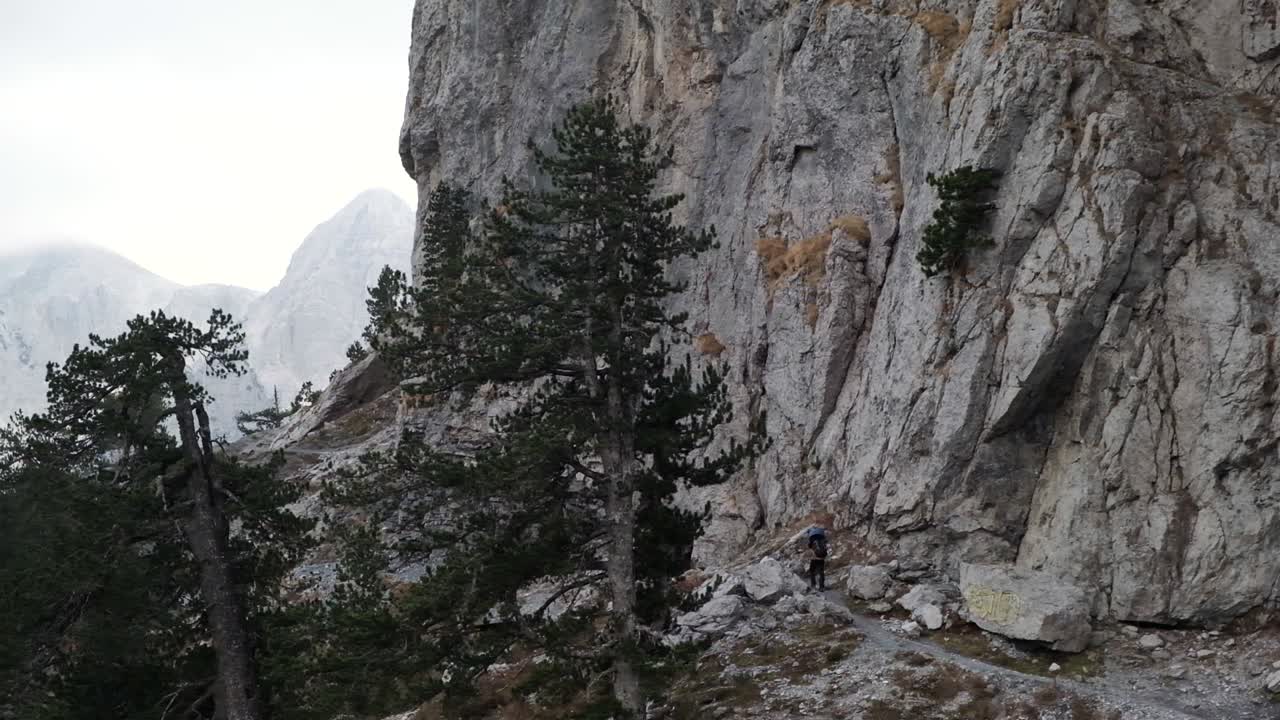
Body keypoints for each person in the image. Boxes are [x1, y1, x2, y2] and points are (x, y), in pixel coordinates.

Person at [806, 527, 829, 591]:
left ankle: (813, 584)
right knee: (821, 572)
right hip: (822, 558)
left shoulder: (812, 539)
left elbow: (809, 546)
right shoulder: (823, 538)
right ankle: (821, 587)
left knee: (812, 571)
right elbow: (826, 545)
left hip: (814, 558)